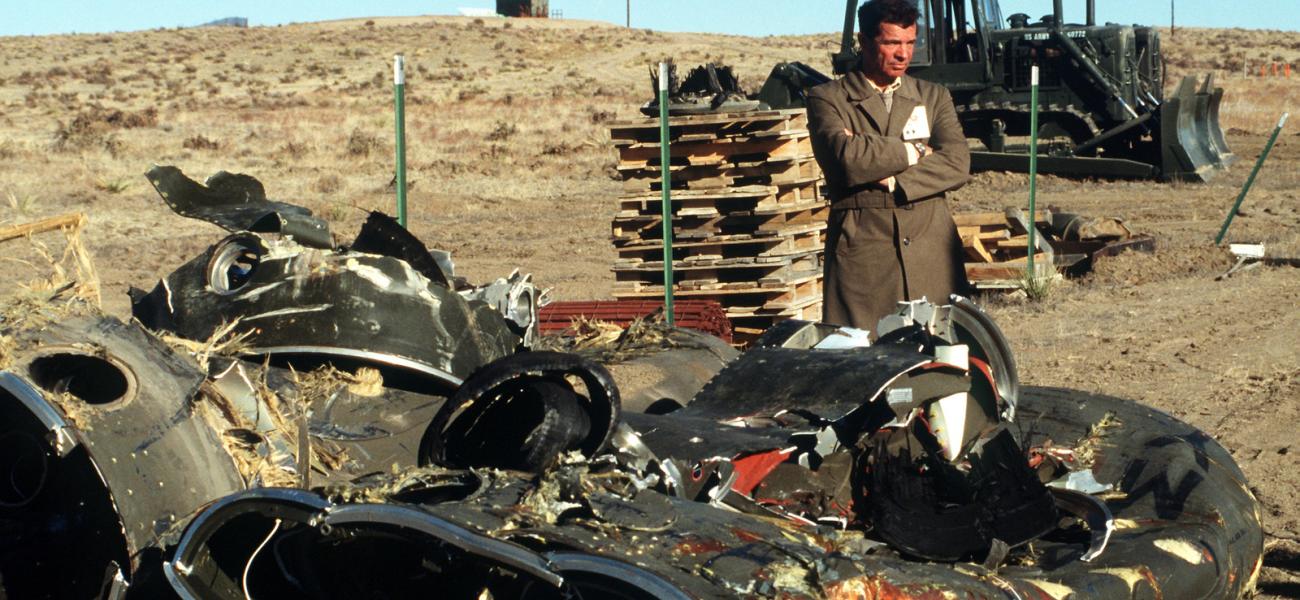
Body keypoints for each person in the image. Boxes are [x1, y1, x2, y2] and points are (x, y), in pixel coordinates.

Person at [808, 0, 971, 331]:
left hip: (932, 252)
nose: (903, 54)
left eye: (910, 43)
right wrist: (915, 153)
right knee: (860, 357)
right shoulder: (827, 98)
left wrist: (895, 179)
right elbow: (844, 157)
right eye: (892, 43)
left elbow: (957, 162)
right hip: (863, 253)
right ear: (865, 42)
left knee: (940, 360)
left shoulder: (933, 96)